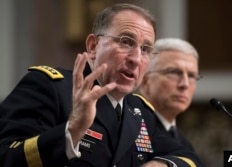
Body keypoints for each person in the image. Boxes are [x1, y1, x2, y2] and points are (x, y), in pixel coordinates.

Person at [0, 4, 202, 167]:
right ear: (93, 46)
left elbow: (187, 156)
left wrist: (161, 165)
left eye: (146, 49)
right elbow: (6, 156)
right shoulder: (50, 87)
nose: (136, 58)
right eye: (125, 41)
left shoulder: (139, 111)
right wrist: (72, 131)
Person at [138, 38, 201, 150]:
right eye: (173, 72)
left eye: (191, 76)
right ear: (145, 80)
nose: (185, 84)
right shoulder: (130, 128)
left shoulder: (185, 143)